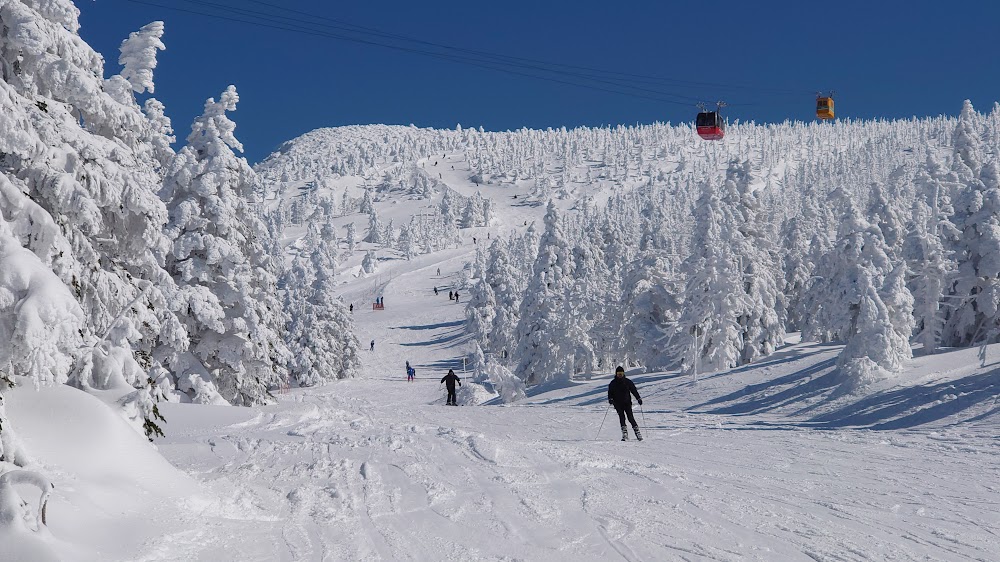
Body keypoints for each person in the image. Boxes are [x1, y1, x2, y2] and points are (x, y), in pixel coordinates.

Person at [608, 365, 643, 441]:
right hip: (617, 404)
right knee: (622, 417)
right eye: (618, 374)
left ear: (623, 374)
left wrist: (638, 398)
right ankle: (625, 434)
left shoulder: (627, 382)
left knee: (630, 418)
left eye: (621, 373)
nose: (620, 375)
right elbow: (610, 393)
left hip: (627, 403)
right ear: (616, 374)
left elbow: (634, 390)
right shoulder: (613, 383)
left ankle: (638, 433)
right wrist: (610, 399)